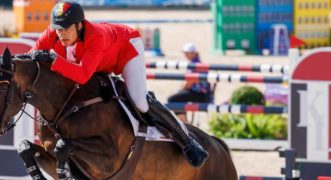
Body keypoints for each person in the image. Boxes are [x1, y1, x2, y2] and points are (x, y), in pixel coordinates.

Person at [30, 1, 208, 168]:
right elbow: (29, 56)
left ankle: (187, 141)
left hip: (126, 49)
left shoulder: (96, 36)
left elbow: (83, 74)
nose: (61, 34)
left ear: (79, 25)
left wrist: (54, 61)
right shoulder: (52, 34)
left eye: (66, 29)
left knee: (139, 100)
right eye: (58, 29)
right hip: (99, 62)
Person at [167, 42, 213, 121]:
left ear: (193, 53)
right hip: (202, 94)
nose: (185, 55)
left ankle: (184, 123)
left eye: (186, 53)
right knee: (179, 97)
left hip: (199, 95)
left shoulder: (195, 65)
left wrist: (181, 90)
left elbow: (189, 83)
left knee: (172, 99)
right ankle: (185, 122)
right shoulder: (197, 63)